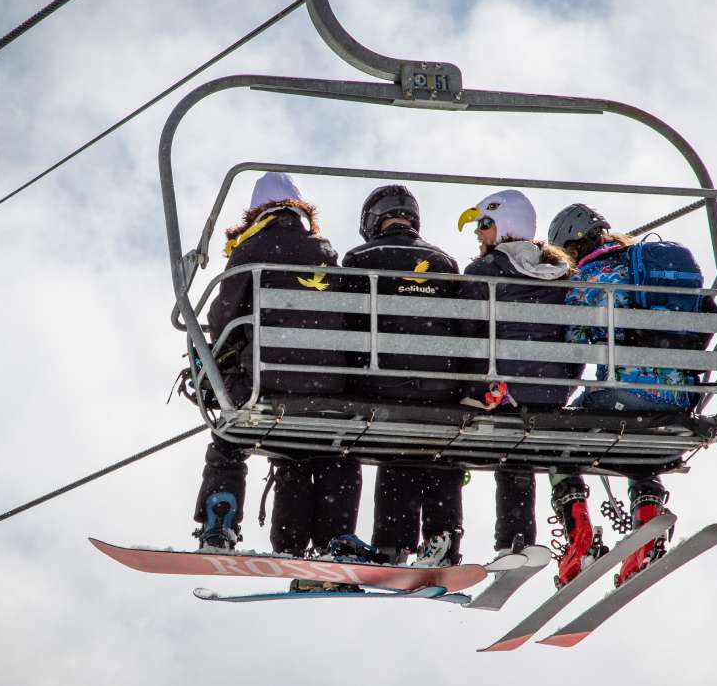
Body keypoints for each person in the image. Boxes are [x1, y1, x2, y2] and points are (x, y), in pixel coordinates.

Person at [191, 172, 362, 559]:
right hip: (327, 387)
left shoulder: (250, 250)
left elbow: (222, 316)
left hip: (266, 383)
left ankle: (221, 522)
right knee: (318, 451)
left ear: (256, 213)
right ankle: (332, 538)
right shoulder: (325, 252)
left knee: (229, 438)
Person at [545, 203, 713, 587]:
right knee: (644, 447)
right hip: (679, 399)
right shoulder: (645, 269)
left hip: (624, 396)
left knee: (555, 442)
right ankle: (647, 515)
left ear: (571, 246)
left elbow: (574, 343)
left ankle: (578, 536)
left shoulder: (590, 278)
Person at [335, 184, 466, 566]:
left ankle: (393, 542)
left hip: (379, 383)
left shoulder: (360, 259)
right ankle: (444, 538)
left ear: (372, 221)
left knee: (395, 444)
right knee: (437, 446)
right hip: (440, 386)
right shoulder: (444, 263)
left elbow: (345, 320)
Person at [456, 189, 581, 558]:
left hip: (504, 391)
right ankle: (562, 526)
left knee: (511, 453)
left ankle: (514, 541)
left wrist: (472, 388)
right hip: (551, 390)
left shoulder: (483, 273)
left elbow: (466, 336)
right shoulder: (561, 273)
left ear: (506, 225)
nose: (478, 232)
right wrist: (564, 385)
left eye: (484, 224)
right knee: (532, 447)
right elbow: (575, 339)